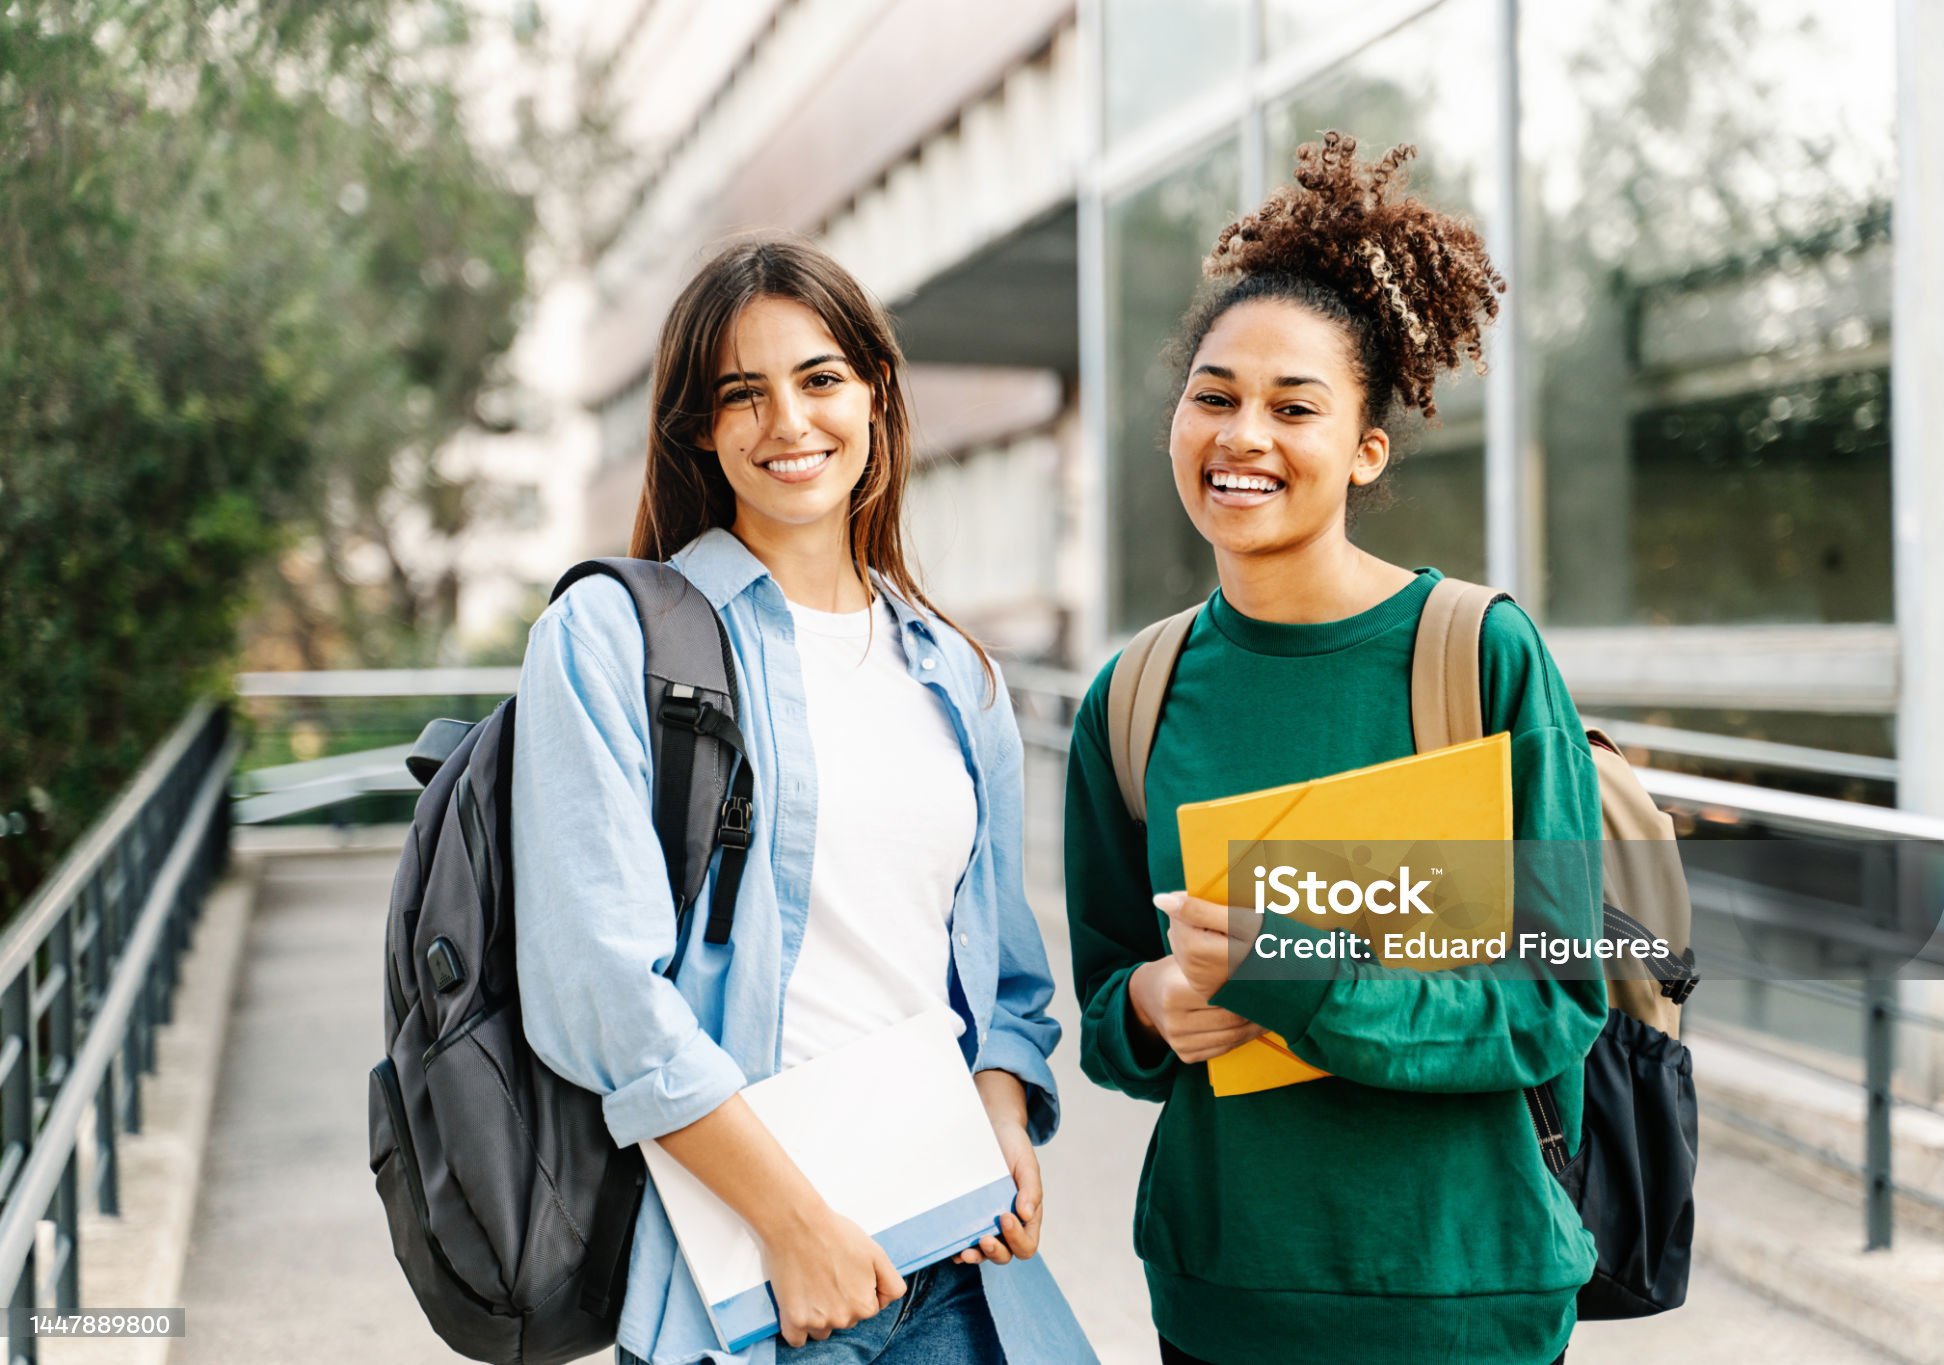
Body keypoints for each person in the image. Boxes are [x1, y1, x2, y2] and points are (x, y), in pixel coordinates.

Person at [1063, 134, 1603, 1365]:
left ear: (1364, 448)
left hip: (1462, 1299)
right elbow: (1105, 1006)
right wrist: (1148, 1005)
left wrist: (1299, 981)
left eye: (1293, 406)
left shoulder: (1478, 658)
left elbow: (1557, 999)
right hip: (1221, 1299)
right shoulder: (1132, 695)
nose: (1242, 434)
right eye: (1213, 395)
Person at [512, 236, 1092, 1365]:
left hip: (962, 1265)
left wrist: (1004, 1112)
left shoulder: (953, 672)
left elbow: (998, 971)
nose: (788, 423)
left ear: (875, 394)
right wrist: (793, 1224)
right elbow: (598, 990)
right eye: (743, 394)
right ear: (698, 428)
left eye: (820, 378)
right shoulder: (611, 638)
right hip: (757, 1285)